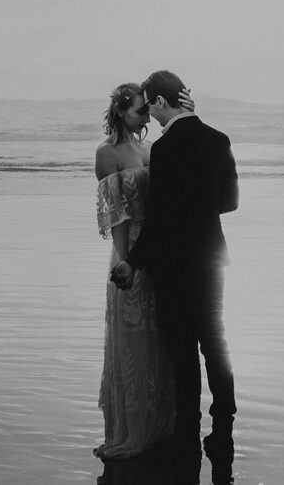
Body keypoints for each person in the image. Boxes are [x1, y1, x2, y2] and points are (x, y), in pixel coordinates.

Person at [111, 70, 239, 485]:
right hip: (211, 257)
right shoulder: (219, 139)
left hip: (173, 264)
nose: (150, 112)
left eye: (151, 105)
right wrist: (200, 210)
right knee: (215, 343)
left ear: (164, 103)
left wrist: (135, 261)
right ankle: (223, 428)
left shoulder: (165, 149)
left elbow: (160, 218)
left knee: (183, 351)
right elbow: (230, 202)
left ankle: (188, 429)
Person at [93, 82, 192, 460]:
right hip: (130, 250)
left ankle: (159, 425)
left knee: (158, 340)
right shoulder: (107, 153)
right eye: (138, 111)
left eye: (147, 111)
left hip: (156, 248)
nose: (145, 117)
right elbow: (116, 213)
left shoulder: (150, 148)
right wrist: (125, 260)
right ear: (121, 111)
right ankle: (131, 430)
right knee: (133, 340)